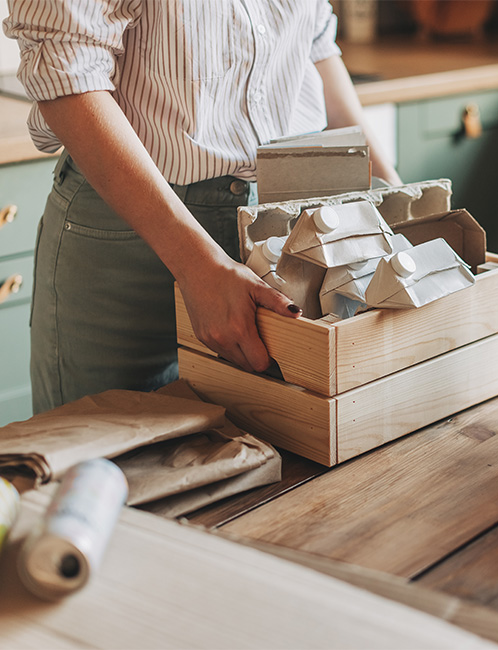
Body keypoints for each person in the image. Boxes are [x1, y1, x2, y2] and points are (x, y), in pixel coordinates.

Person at [3, 0, 401, 414]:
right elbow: (65, 74)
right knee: (110, 467)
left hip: (288, 225)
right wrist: (197, 265)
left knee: (279, 464)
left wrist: (390, 191)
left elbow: (315, 42)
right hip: (132, 236)